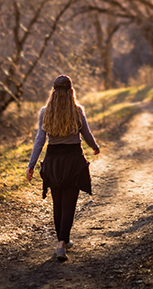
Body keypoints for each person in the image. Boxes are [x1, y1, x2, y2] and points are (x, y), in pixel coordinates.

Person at [25, 74, 100, 261]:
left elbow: (40, 140)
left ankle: (62, 241)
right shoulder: (77, 111)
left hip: (53, 162)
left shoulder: (45, 112)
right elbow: (87, 134)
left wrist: (31, 165)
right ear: (71, 91)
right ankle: (62, 243)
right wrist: (95, 147)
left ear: (53, 92)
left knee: (57, 204)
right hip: (73, 161)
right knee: (69, 205)